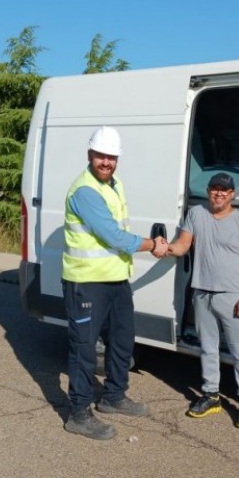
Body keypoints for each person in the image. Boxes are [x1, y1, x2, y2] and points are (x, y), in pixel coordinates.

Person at [62, 126, 168, 440]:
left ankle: (113, 396)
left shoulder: (114, 184)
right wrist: (153, 245)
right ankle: (78, 413)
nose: (106, 162)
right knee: (83, 349)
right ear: (89, 155)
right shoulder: (85, 190)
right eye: (101, 156)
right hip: (87, 281)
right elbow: (113, 235)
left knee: (122, 341)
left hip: (116, 278)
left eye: (111, 156)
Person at [166, 173, 239, 429]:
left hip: (232, 297)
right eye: (214, 189)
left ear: (232, 194)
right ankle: (211, 396)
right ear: (208, 191)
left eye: (224, 190)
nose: (219, 193)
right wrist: (164, 247)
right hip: (202, 293)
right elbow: (182, 245)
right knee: (208, 348)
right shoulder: (196, 214)